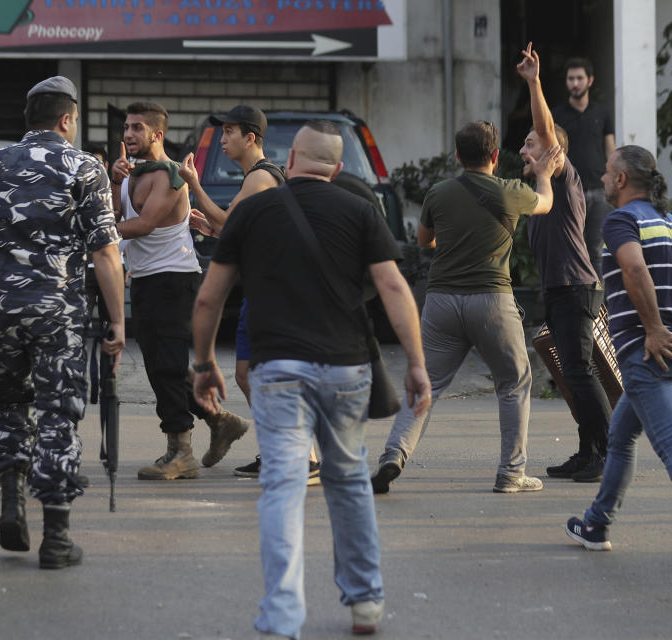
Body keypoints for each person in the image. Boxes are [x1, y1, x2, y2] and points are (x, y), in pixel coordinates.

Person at [191, 119, 430, 639]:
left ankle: (281, 615)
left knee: (282, 485)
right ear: (338, 169)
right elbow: (393, 286)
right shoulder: (362, 211)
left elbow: (210, 296)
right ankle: (365, 602)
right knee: (348, 481)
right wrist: (414, 362)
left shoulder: (252, 211)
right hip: (347, 369)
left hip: (277, 370)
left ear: (290, 160)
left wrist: (205, 362)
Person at [0, 76, 126, 569]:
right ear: (67, 119)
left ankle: (10, 504)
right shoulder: (85, 168)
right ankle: (57, 538)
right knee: (58, 413)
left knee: (7, 405)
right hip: (57, 312)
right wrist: (120, 323)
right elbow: (106, 253)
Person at [563, 145, 672, 573]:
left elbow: (634, 269)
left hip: (648, 355)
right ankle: (595, 525)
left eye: (608, 174)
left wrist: (653, 328)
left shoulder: (622, 220)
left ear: (623, 180)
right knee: (621, 437)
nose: (604, 180)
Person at [369, 120, 563, 495]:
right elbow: (546, 203)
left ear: (458, 156)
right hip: (493, 302)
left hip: (441, 303)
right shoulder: (510, 192)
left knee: (426, 384)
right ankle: (511, 473)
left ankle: (393, 454)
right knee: (513, 383)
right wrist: (544, 174)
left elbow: (426, 241)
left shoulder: (439, 194)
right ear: (495, 156)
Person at [109, 101, 248, 481]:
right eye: (126, 127)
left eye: (137, 128)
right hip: (146, 279)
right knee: (161, 365)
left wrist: (92, 233)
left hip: (174, 279)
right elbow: (118, 216)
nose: (128, 135)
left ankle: (180, 452)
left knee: (166, 366)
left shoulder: (169, 176)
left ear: (157, 134)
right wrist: (115, 179)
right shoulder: (133, 172)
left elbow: (144, 224)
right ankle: (220, 420)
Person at [176, 104, 302, 474]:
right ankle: (275, 450)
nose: (223, 139)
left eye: (229, 132)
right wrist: (210, 229)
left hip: (274, 293)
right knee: (247, 374)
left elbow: (231, 221)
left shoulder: (261, 177)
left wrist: (194, 184)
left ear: (250, 138)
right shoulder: (255, 178)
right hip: (261, 291)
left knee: (265, 376)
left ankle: (291, 452)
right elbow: (236, 231)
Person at [517, 42, 611, 483]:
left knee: (578, 369)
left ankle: (608, 452)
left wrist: (535, 82)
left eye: (532, 144)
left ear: (554, 154)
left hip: (576, 288)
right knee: (567, 373)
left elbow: (545, 129)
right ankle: (587, 448)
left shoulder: (565, 176)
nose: (524, 149)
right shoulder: (538, 194)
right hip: (559, 291)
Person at [552, 57, 615, 278]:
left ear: (590, 81)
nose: (575, 83)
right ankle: (576, 305)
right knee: (569, 249)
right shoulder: (557, 114)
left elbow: (610, 150)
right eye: (571, 79)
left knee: (597, 251)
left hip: (599, 190)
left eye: (580, 78)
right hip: (569, 191)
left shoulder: (602, 112)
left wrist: (614, 180)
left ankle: (601, 308)